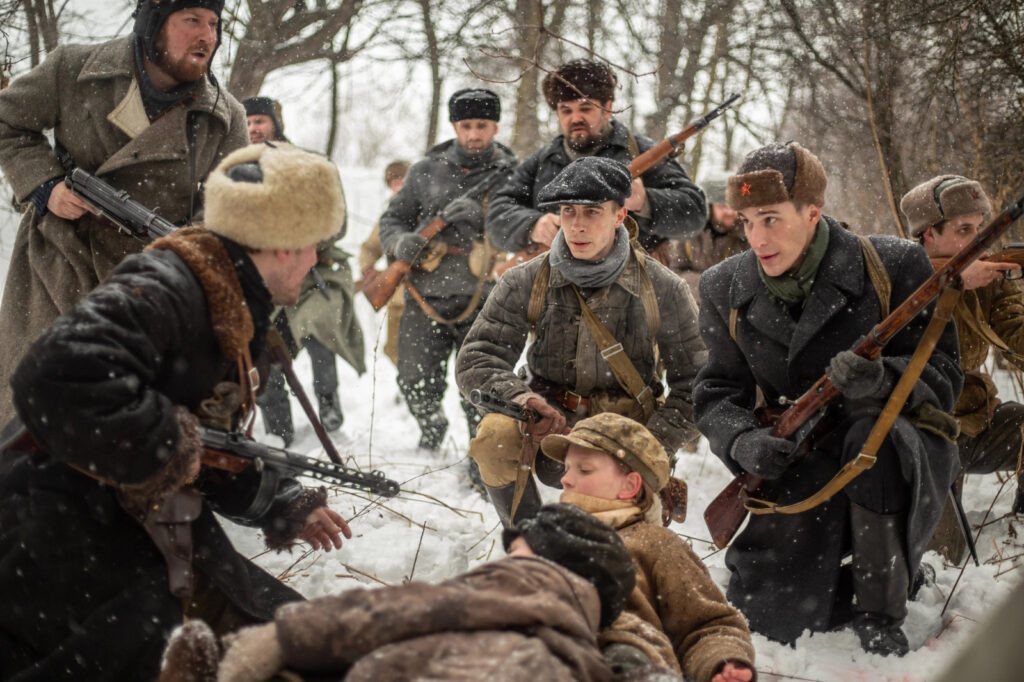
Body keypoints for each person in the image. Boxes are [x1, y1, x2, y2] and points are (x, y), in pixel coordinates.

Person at [0, 143, 352, 681]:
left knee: (303, 646)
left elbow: (203, 440)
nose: (315, 261)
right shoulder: (171, 286)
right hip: (58, 543)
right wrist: (170, 443)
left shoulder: (225, 293)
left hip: (128, 532)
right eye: (314, 246)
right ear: (285, 245)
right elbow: (55, 376)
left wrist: (280, 501)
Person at [693, 142, 963, 655]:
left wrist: (882, 380)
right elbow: (716, 392)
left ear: (812, 212)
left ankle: (880, 609)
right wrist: (743, 441)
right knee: (773, 620)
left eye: (771, 219)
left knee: (872, 440)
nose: (756, 238)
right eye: (747, 221)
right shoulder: (723, 286)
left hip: (894, 453)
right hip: (800, 456)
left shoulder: (894, 264)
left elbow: (946, 376)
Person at [0, 0, 248, 425]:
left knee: (125, 428)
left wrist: (188, 248)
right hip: (57, 266)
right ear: (154, 23)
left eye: (213, 23)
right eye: (192, 20)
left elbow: (230, 213)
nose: (207, 36)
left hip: (150, 288)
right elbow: (7, 122)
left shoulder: (224, 119)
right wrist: (45, 185)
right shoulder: (73, 70)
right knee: (33, 417)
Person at [457, 156, 705, 527]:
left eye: (592, 212)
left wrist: (651, 442)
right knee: (495, 436)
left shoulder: (664, 288)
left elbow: (697, 383)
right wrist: (523, 400)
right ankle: (528, 536)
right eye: (568, 211)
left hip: (627, 430)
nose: (577, 225)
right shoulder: (525, 280)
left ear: (620, 215)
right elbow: (478, 357)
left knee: (630, 553)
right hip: (549, 425)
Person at [158, 503, 635, 682]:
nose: (504, 561)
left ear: (547, 560)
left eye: (517, 550)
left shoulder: (529, 590)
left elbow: (397, 609)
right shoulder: (568, 644)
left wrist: (285, 636)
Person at [542, 412, 755, 682]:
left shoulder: (656, 545)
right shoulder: (549, 542)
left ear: (630, 485)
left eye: (584, 470)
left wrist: (720, 664)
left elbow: (709, 625)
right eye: (567, 468)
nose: (565, 480)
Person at [379, 88, 516, 450]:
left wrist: (484, 220)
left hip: (486, 297)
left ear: (495, 127)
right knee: (413, 379)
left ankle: (480, 456)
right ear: (455, 126)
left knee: (484, 387)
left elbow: (524, 229)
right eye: (466, 125)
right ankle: (431, 427)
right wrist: (400, 242)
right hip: (426, 293)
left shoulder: (512, 174)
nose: (474, 134)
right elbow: (392, 219)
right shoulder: (425, 170)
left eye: (482, 125)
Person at [901, 175, 1024, 563]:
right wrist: (950, 281)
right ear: (928, 235)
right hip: (920, 436)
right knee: (941, 561)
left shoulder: (988, 275)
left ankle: (1020, 528)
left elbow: (1014, 331)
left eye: (980, 228)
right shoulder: (896, 275)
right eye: (964, 230)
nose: (978, 240)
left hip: (974, 421)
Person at [486, 58, 707, 261]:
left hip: (631, 281)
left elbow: (695, 214)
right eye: (566, 111)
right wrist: (533, 225)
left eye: (585, 108)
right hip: (555, 283)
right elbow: (497, 214)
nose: (575, 118)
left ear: (607, 108)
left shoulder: (641, 152)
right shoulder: (542, 161)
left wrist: (645, 200)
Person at [243, 95, 364, 444]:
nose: (253, 128)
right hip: (264, 280)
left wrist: (298, 239)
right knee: (261, 350)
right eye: (247, 122)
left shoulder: (311, 164)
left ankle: (328, 407)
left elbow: (336, 222)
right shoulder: (236, 168)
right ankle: (278, 432)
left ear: (275, 123)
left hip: (315, 273)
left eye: (260, 121)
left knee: (317, 325)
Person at [358, 159, 411, 367]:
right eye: (393, 181)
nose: (397, 185)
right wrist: (368, 269)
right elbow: (370, 248)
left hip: (426, 296)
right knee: (393, 350)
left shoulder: (427, 210)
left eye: (401, 179)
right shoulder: (388, 216)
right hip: (397, 296)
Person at [666, 172, 748, 305]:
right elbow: (675, 272)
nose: (729, 212)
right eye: (722, 206)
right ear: (709, 206)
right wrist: (709, 286)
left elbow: (751, 280)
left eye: (733, 206)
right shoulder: (690, 234)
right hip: (693, 307)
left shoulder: (747, 235)